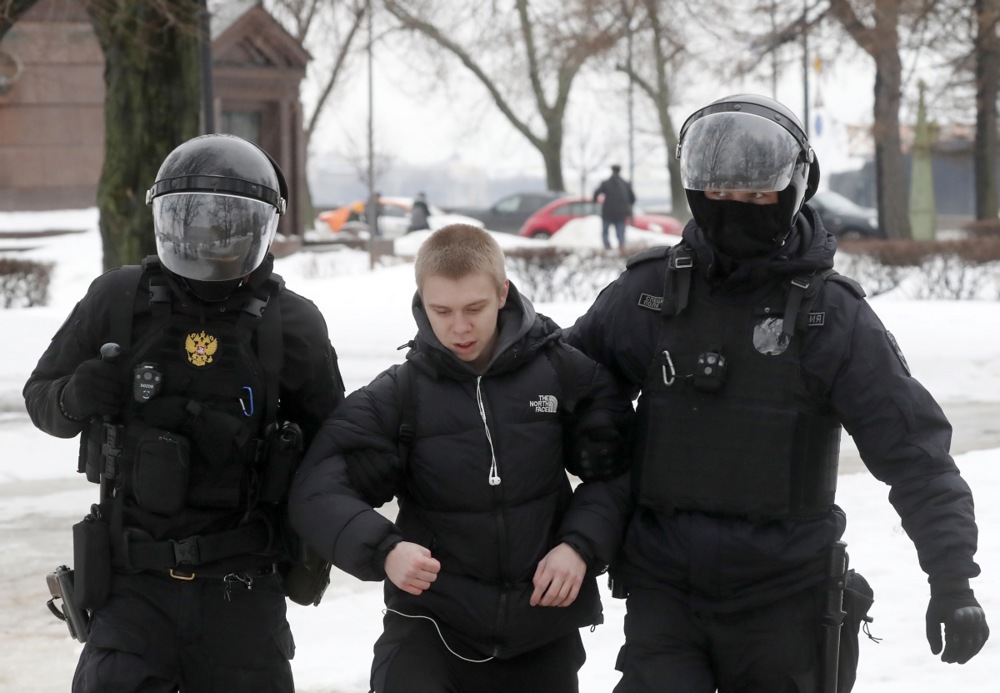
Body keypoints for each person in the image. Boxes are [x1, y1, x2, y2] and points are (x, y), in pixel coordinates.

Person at [565, 94, 989, 692]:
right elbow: (559, 380)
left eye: (756, 196)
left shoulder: (829, 316)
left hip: (785, 599)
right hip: (665, 591)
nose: (734, 209)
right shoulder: (651, 294)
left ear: (794, 189)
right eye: (720, 193)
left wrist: (951, 579)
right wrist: (595, 423)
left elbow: (914, 452)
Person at [24, 133, 346, 692]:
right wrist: (75, 396)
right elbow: (40, 400)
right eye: (194, 221)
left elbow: (335, 451)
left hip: (243, 594)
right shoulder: (118, 299)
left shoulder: (290, 324)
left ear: (260, 228)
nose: (209, 239)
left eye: (227, 226)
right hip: (132, 591)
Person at [288, 223, 634, 693]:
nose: (459, 327)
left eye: (474, 308)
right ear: (421, 302)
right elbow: (317, 488)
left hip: (540, 628)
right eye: (442, 311)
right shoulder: (400, 394)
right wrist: (384, 550)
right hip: (430, 627)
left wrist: (580, 546)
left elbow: (620, 467)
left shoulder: (561, 372)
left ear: (502, 293)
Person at [593, 164, 636, 252]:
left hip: (608, 212)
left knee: (605, 231)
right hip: (621, 212)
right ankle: (621, 246)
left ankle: (607, 247)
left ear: (612, 170)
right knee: (620, 231)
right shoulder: (625, 184)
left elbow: (596, 193)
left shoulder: (606, 183)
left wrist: (595, 201)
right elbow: (633, 198)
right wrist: (627, 206)